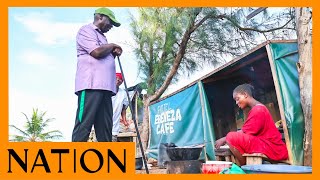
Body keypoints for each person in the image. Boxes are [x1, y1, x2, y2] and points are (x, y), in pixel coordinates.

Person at [72, 7, 122, 142]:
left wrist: (113, 52)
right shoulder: (86, 30)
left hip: (106, 89)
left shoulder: (103, 38)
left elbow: (104, 57)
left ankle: (106, 160)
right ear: (100, 17)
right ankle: (73, 160)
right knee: (84, 125)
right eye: (110, 22)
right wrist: (112, 46)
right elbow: (96, 52)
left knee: (105, 129)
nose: (111, 26)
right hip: (91, 86)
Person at [215, 84, 288, 165]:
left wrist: (224, 139)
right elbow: (248, 130)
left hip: (272, 147)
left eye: (237, 99)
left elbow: (245, 132)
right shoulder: (257, 108)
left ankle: (245, 167)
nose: (236, 102)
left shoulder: (258, 109)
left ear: (245, 95)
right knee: (232, 136)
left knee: (231, 137)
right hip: (266, 144)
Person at [112, 73, 130, 142]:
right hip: (102, 126)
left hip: (114, 127)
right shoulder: (106, 90)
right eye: (116, 78)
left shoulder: (123, 93)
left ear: (122, 82)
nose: (118, 80)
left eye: (120, 79)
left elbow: (123, 108)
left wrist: (124, 121)